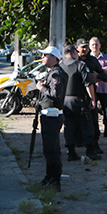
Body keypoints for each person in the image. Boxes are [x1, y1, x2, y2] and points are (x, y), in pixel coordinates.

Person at [61, 44, 100, 163]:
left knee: (69, 126)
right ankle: (91, 151)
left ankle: (71, 152)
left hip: (65, 100)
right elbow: (89, 84)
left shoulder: (60, 66)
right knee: (87, 125)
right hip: (79, 100)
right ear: (74, 53)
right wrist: (92, 99)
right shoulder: (80, 65)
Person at [35, 45, 67, 187]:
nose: (43, 57)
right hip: (48, 114)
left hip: (52, 115)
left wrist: (42, 88)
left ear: (54, 58)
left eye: (45, 55)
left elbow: (56, 95)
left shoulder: (56, 74)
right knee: (49, 149)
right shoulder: (52, 72)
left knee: (52, 149)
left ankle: (55, 180)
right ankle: (49, 176)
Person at [76, 38, 107, 153]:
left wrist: (95, 78)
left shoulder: (92, 60)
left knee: (93, 120)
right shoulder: (74, 60)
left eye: (86, 47)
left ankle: (94, 144)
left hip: (91, 93)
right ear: (77, 48)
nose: (85, 49)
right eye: (82, 47)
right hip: (77, 94)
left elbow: (101, 74)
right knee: (77, 120)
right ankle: (78, 142)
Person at [89, 37, 107, 146]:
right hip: (93, 90)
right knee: (93, 116)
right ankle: (94, 139)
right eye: (93, 45)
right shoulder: (88, 59)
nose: (95, 46)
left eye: (96, 44)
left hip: (105, 89)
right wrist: (103, 73)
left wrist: (99, 74)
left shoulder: (106, 57)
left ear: (100, 45)